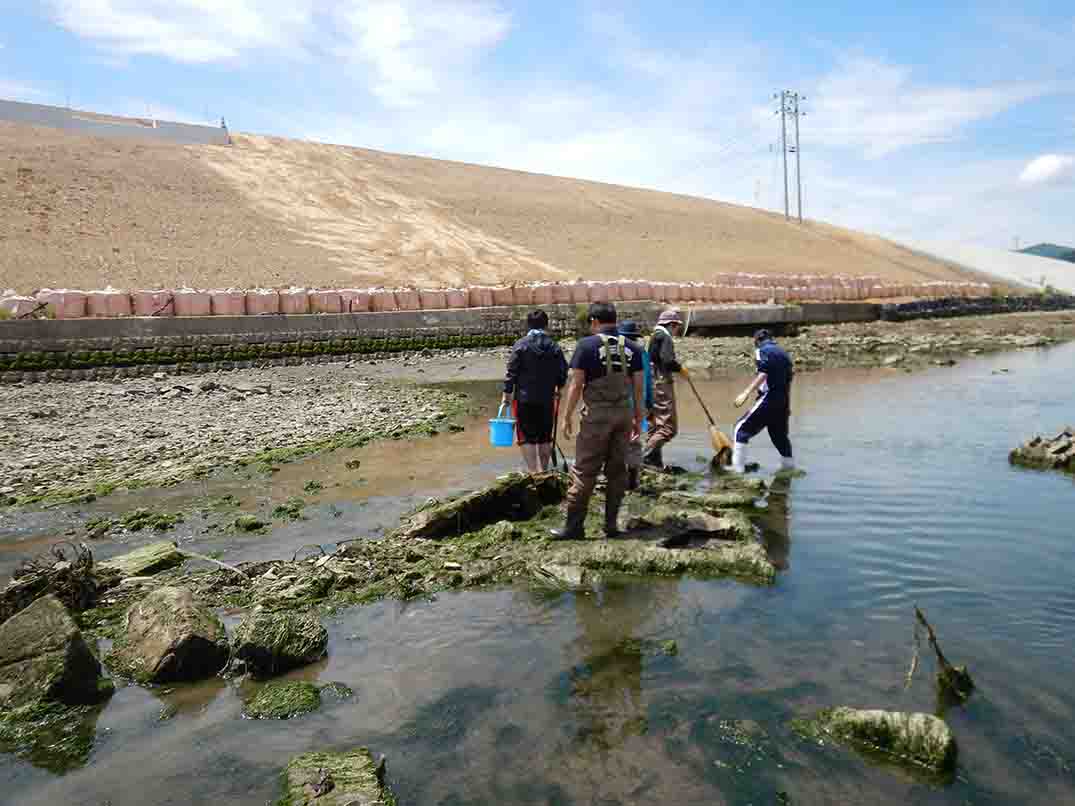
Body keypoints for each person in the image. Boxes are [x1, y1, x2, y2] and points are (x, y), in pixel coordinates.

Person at [552, 302, 644, 540]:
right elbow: (639, 387)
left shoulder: (586, 345)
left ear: (594, 321)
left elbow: (576, 384)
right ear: (614, 320)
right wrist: (638, 418)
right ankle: (611, 526)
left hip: (596, 418)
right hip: (623, 415)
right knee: (617, 471)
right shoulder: (633, 348)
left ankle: (574, 528)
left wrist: (567, 416)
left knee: (584, 471)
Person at [502, 309, 568, 472]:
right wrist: (559, 387)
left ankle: (533, 472)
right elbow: (563, 371)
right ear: (546, 325)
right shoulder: (554, 346)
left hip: (524, 399)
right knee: (545, 437)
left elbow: (511, 373)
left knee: (526, 438)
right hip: (547, 399)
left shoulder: (521, 344)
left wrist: (506, 396)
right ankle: (544, 470)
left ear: (528, 325)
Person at [731, 328, 795, 472]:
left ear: (757, 341)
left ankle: (737, 470)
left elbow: (763, 373)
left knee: (740, 429)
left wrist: (746, 393)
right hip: (783, 399)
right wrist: (785, 404)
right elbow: (789, 378)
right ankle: (789, 468)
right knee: (779, 436)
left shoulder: (763, 350)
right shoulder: (784, 353)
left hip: (769, 398)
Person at [642, 308, 684, 468]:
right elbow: (667, 361)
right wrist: (680, 369)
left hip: (649, 384)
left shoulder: (654, 336)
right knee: (668, 428)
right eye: (676, 327)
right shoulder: (664, 337)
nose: (677, 330)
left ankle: (654, 462)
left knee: (655, 425)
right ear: (671, 324)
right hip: (660, 383)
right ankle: (643, 456)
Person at [618, 320, 654, 490]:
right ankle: (632, 481)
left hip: (614, 404)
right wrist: (649, 405)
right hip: (635, 406)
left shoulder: (612, 351)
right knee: (633, 442)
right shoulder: (641, 353)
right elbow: (647, 381)